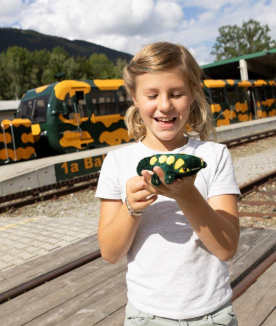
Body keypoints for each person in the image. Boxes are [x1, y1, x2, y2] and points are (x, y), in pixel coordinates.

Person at [95, 42, 240, 326]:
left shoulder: (213, 155)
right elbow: (110, 253)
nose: (165, 105)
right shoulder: (116, 162)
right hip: (146, 316)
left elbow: (227, 248)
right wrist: (131, 209)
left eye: (176, 94)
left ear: (194, 93)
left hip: (212, 315)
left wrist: (188, 196)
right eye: (152, 95)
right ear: (134, 97)